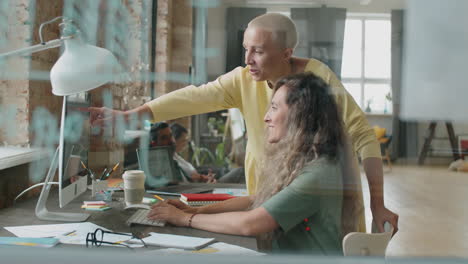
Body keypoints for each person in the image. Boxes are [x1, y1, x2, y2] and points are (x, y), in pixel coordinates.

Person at [88, 13, 398, 233]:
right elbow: (193, 98)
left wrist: (378, 204)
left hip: (310, 206)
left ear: (287, 53)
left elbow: (364, 137)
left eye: (258, 51)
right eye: (245, 49)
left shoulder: (317, 83)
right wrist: (130, 116)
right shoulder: (243, 78)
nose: (248, 59)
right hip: (268, 193)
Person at [148, 73, 359, 254]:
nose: (266, 117)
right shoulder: (311, 161)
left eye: (274, 108)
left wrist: (184, 219)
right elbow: (257, 200)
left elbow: (251, 224)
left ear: (300, 115)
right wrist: (192, 211)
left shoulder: (317, 174)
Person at [150, 122, 215, 183]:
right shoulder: (157, 165)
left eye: (170, 136)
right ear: (154, 144)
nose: (171, 140)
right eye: (164, 138)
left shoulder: (174, 158)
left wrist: (203, 179)